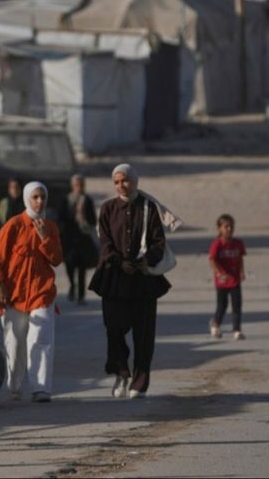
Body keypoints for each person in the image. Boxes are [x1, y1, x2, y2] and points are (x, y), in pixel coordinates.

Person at [88, 164, 172, 400]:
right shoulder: (107, 208)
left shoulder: (148, 208)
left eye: (125, 180)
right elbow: (105, 243)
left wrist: (147, 260)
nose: (121, 186)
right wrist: (118, 262)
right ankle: (121, 372)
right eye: (116, 182)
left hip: (143, 280)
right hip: (114, 278)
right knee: (114, 328)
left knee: (143, 333)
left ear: (134, 181)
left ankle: (140, 381)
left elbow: (158, 241)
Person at [0, 182, 64, 403]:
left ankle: (41, 388)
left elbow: (57, 259)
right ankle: (14, 385)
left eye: (43, 197)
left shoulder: (50, 227)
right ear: (27, 199)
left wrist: (45, 238)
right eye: (35, 197)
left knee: (41, 338)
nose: (39, 202)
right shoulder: (14, 225)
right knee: (15, 343)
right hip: (14, 294)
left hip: (42, 293)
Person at [208, 214, 246, 341]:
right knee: (222, 305)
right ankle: (215, 323)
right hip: (222, 281)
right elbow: (212, 261)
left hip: (235, 279)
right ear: (219, 228)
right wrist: (220, 273)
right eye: (226, 226)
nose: (229, 229)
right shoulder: (217, 244)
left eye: (231, 226)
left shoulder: (238, 243)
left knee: (237, 305)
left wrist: (242, 272)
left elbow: (240, 258)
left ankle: (237, 330)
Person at [63, 174, 98, 305]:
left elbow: (93, 221)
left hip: (83, 239)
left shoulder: (87, 200)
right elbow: (61, 218)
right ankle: (72, 285)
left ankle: (81, 296)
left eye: (81, 185)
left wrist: (83, 217)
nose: (79, 187)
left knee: (82, 267)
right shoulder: (67, 199)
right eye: (77, 185)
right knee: (69, 264)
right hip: (69, 239)